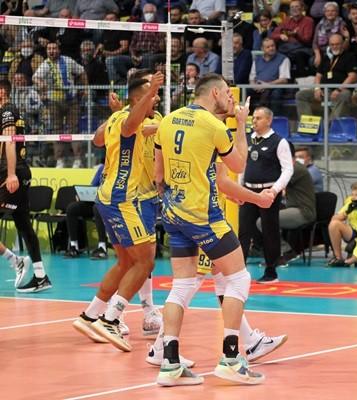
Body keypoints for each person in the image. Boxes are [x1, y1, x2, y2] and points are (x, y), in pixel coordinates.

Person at [147, 91, 287, 367]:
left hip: (177, 212)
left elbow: (165, 176)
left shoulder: (176, 121)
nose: (232, 99)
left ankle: (248, 341)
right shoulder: (213, 128)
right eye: (227, 93)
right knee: (219, 280)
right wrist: (256, 197)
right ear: (214, 94)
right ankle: (216, 354)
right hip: (202, 217)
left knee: (216, 279)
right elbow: (233, 170)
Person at [72, 71, 163, 351]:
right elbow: (118, 131)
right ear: (138, 99)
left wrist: (120, 111)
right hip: (126, 200)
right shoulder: (128, 120)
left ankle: (91, 315)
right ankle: (111, 319)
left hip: (111, 198)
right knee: (145, 262)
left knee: (126, 263)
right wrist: (141, 100)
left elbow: (99, 139)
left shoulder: (129, 117)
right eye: (152, 95)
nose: (157, 98)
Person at [0, 79, 51, 292]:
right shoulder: (9, 112)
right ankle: (40, 276)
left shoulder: (7, 111)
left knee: (24, 225)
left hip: (13, 174)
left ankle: (15, 261)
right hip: (16, 172)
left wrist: (11, 174)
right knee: (24, 225)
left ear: (2, 92)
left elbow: (10, 141)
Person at [239, 106, 293, 283]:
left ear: (269, 120)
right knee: (243, 231)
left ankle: (271, 271)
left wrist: (275, 190)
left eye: (258, 118)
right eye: (253, 118)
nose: (254, 121)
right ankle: (239, 271)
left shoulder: (279, 142)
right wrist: (239, 188)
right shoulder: (248, 139)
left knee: (270, 231)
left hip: (268, 192)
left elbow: (288, 169)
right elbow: (242, 165)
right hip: (248, 190)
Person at [295, 33, 357, 120]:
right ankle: (308, 124)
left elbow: (353, 76)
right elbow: (318, 76)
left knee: (344, 95)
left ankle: (331, 124)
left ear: (342, 44)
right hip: (324, 91)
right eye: (332, 44)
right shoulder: (326, 57)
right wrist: (317, 89)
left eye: (337, 44)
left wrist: (339, 89)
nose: (335, 47)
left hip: (341, 90)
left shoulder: (350, 56)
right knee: (301, 95)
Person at [63, 164, 109, 260]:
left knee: (97, 208)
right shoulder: (102, 168)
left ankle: (102, 247)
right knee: (72, 208)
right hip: (96, 201)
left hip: (110, 204)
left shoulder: (119, 169)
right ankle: (74, 246)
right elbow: (93, 187)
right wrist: (83, 195)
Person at [327, 181, 357, 266]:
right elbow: (334, 219)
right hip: (353, 232)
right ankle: (338, 258)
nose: (353, 197)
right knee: (334, 224)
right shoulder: (350, 204)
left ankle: (351, 260)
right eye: (352, 194)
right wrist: (347, 212)